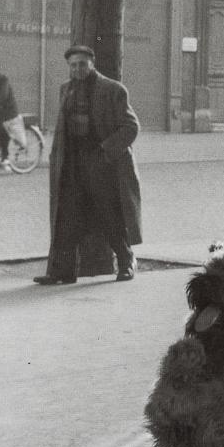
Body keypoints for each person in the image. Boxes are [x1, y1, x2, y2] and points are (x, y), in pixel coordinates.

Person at [34, 45, 142, 286]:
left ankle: (127, 261)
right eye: (73, 65)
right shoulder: (66, 89)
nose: (78, 69)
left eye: (82, 64)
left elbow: (131, 127)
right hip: (72, 166)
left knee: (110, 216)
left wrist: (105, 151)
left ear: (92, 64)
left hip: (102, 165)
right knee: (67, 218)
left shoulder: (113, 90)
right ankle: (62, 272)